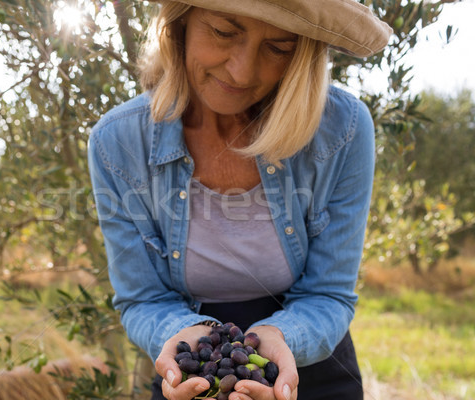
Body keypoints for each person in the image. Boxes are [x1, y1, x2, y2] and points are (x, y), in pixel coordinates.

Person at [88, 0, 392, 399]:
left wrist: (278, 336)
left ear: (302, 54)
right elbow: (144, 298)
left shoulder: (343, 128)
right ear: (179, 24)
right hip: (190, 370)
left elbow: (328, 292)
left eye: (278, 48)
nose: (242, 70)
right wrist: (185, 339)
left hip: (312, 369)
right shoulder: (117, 142)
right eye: (223, 32)